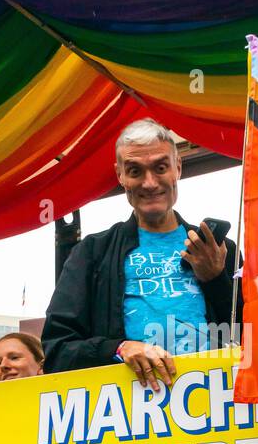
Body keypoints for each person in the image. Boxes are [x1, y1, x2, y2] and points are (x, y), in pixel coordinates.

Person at [41, 119, 241, 390]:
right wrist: (120, 348)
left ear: (177, 168)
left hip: (217, 409)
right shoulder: (91, 253)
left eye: (160, 167)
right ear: (120, 175)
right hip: (126, 418)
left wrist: (216, 279)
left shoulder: (219, 249)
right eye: (135, 171)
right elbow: (57, 351)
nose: (149, 183)